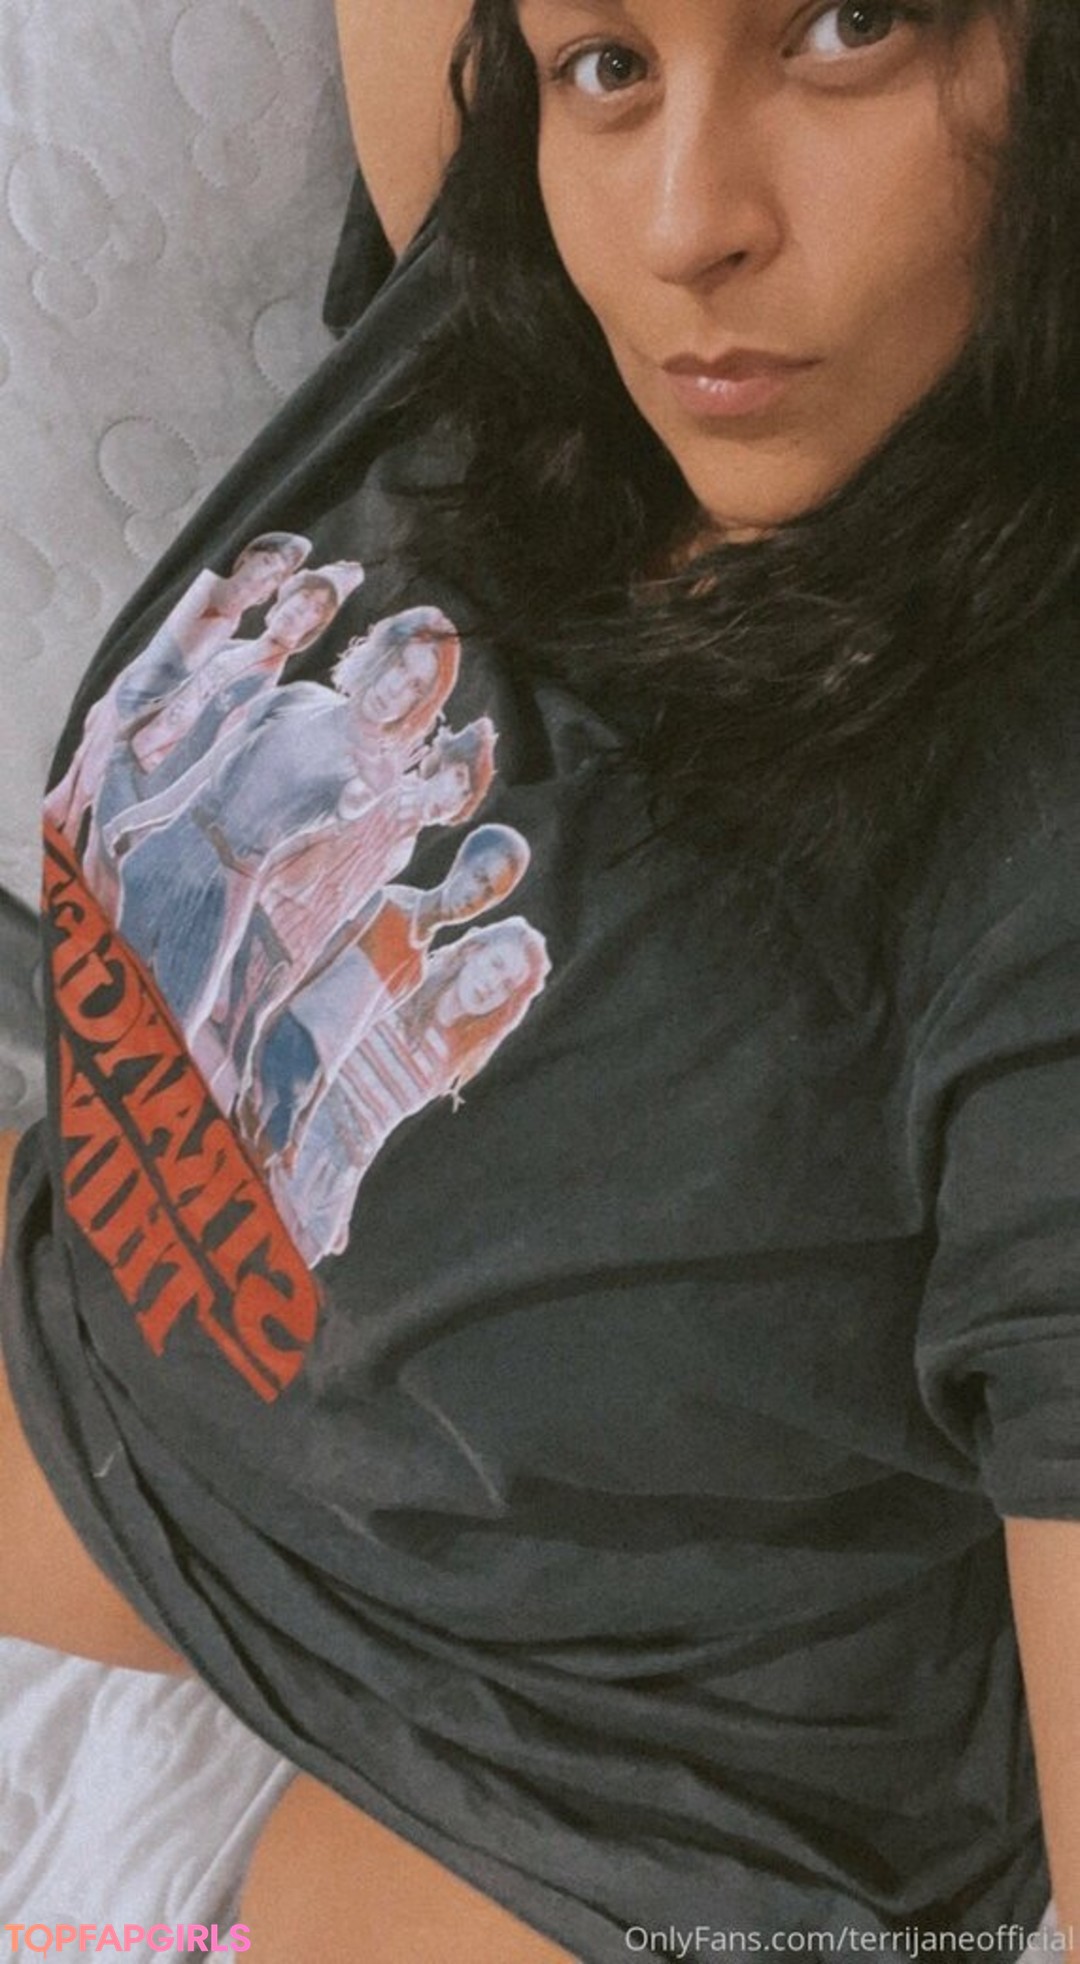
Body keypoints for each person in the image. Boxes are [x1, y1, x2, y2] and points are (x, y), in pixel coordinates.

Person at [3, 3, 1080, 1962]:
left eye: (848, 25)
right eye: (610, 61)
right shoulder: (516, 269)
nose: (682, 225)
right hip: (111, 1388)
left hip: (600, 1801)